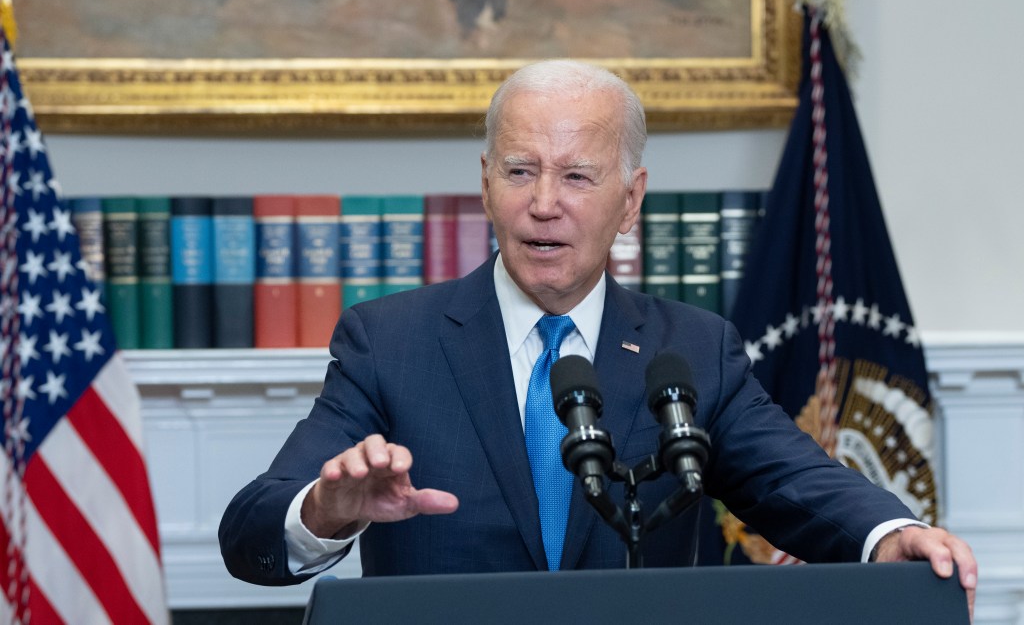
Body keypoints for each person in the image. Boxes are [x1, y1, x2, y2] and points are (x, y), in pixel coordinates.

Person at [219, 60, 977, 613]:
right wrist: (327, 508)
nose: (544, 204)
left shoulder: (692, 350)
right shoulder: (389, 342)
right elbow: (252, 531)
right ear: (485, 184)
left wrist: (889, 534)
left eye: (577, 177)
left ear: (631, 199)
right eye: (520, 171)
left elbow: (792, 481)